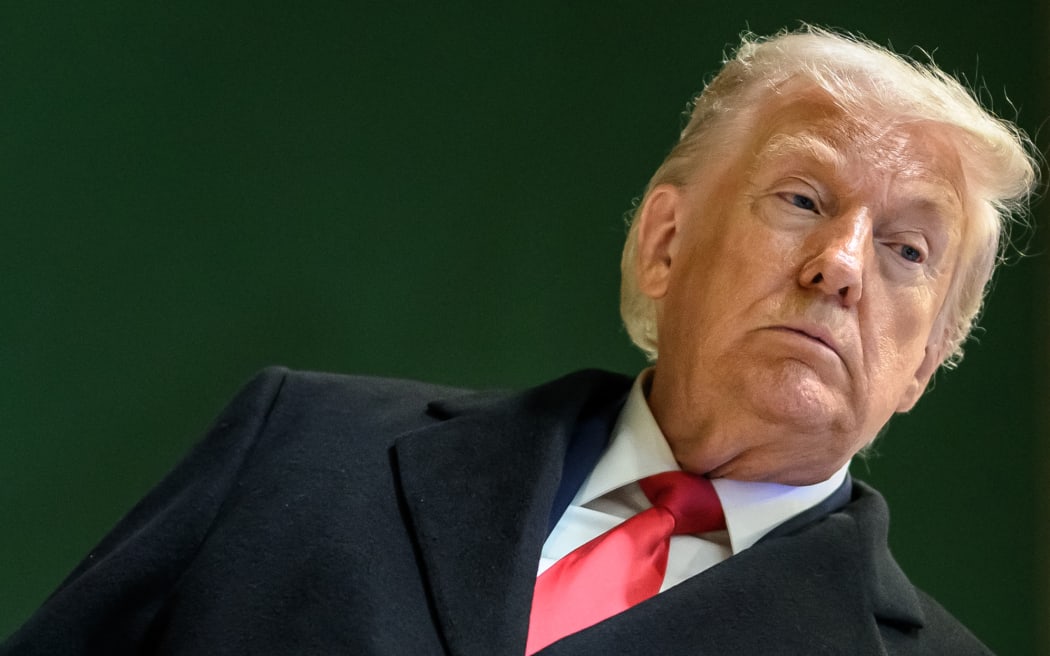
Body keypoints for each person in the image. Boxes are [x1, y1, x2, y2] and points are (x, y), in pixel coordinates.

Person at [1, 26, 1036, 656]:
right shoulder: (298, 442)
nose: (842, 263)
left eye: (907, 250)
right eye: (804, 197)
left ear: (929, 359)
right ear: (665, 243)